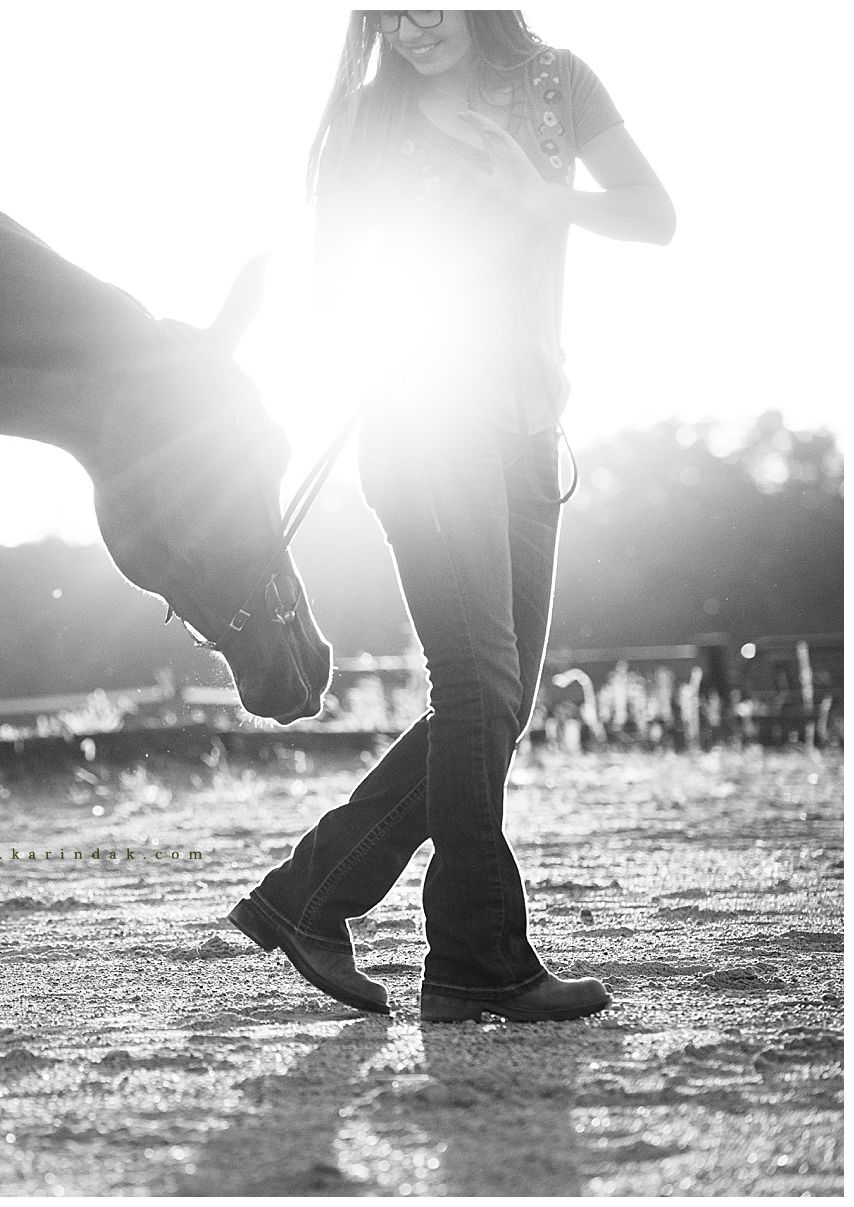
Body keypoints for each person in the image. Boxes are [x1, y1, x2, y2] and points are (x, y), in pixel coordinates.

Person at [228, 10, 673, 1022]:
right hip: (429, 425)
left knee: (495, 700)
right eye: (389, 4)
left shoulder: (562, 84)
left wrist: (540, 196)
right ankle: (479, 956)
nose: (415, 18)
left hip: (527, 434)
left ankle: (310, 893)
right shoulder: (371, 118)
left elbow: (654, 213)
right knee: (479, 683)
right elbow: (336, 297)